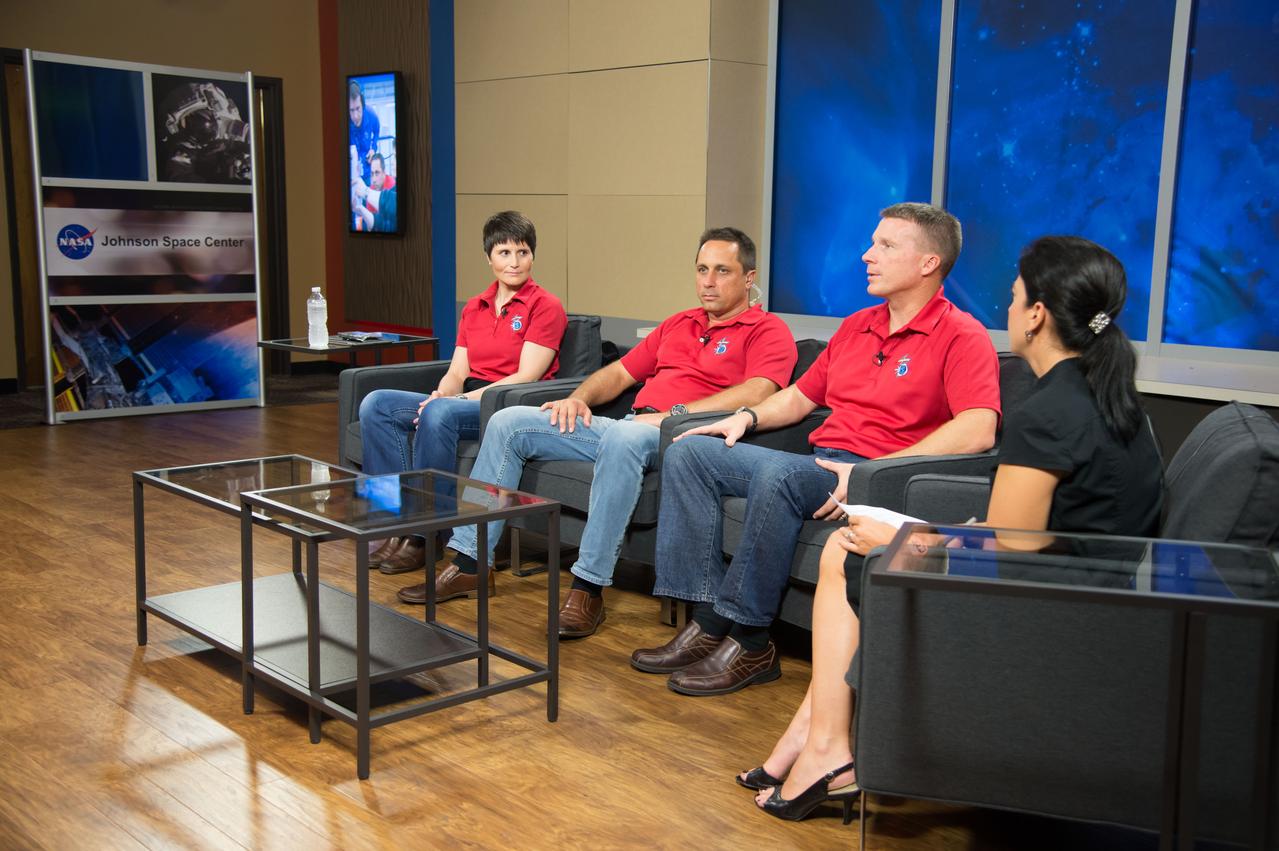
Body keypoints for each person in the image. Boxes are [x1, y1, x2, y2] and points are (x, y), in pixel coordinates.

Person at [744, 235, 1164, 821]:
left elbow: (1010, 547)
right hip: (1093, 587)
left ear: (1038, 315)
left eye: (1015, 299)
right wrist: (931, 530)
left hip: (1056, 611)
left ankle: (827, 751)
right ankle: (809, 739)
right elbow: (1033, 528)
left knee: (848, 550)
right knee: (862, 545)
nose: (1009, 311)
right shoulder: (1104, 392)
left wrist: (909, 537)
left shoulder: (1048, 412)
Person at [631, 202, 1001, 696]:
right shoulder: (857, 325)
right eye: (873, 243)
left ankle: (750, 638)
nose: (867, 255)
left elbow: (979, 428)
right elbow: (802, 396)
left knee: (780, 475)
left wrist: (873, 473)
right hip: (819, 464)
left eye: (886, 246)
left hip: (875, 475)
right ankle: (705, 620)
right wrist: (745, 418)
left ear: (928, 263)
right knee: (689, 450)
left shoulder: (962, 335)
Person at [396, 228, 800, 633]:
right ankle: (470, 560)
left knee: (626, 436)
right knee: (507, 423)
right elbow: (620, 373)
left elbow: (759, 391)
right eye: (701, 270)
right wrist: (580, 399)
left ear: (748, 278)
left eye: (722, 271)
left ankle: (588, 585)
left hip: (683, 437)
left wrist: (670, 415)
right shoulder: (679, 323)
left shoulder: (768, 331)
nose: (708, 282)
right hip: (628, 425)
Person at [360, 211, 567, 573]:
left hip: (509, 405)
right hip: (464, 400)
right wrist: (441, 394)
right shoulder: (475, 307)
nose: (514, 262)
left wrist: (455, 402)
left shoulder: (545, 306)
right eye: (504, 253)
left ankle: (427, 536)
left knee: (441, 414)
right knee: (377, 404)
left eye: (522, 252)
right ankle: (394, 525)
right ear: (489, 257)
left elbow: (527, 376)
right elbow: (458, 371)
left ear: (533, 256)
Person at [349, 81, 381, 186]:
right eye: (351, 110)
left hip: (368, 169)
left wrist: (373, 148)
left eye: (358, 109)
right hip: (352, 174)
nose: (355, 116)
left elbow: (376, 131)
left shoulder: (371, 115)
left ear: (362, 104)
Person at [352, 153, 396, 231]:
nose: (374, 179)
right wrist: (359, 208)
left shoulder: (392, 188)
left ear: (384, 172)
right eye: (372, 174)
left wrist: (365, 192)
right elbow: (377, 223)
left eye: (377, 173)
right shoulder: (372, 188)